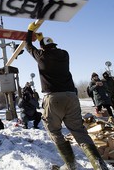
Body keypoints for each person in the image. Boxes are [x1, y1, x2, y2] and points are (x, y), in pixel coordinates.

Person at [25, 22, 109, 170]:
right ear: (55, 45)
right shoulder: (64, 54)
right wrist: (41, 40)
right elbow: (48, 50)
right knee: (79, 131)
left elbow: (28, 46)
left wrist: (29, 31)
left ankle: (70, 165)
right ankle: (100, 165)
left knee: (54, 131)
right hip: (71, 97)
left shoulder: (42, 56)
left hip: (54, 98)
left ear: (43, 47)